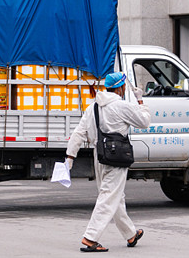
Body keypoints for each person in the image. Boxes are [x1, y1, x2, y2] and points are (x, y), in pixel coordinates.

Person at [65, 71, 151, 252]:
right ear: (120, 88)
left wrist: (70, 157)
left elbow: (79, 133)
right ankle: (90, 238)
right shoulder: (122, 106)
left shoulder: (93, 107)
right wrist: (140, 100)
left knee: (115, 197)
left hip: (100, 156)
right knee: (108, 197)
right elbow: (144, 122)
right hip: (116, 157)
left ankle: (130, 234)